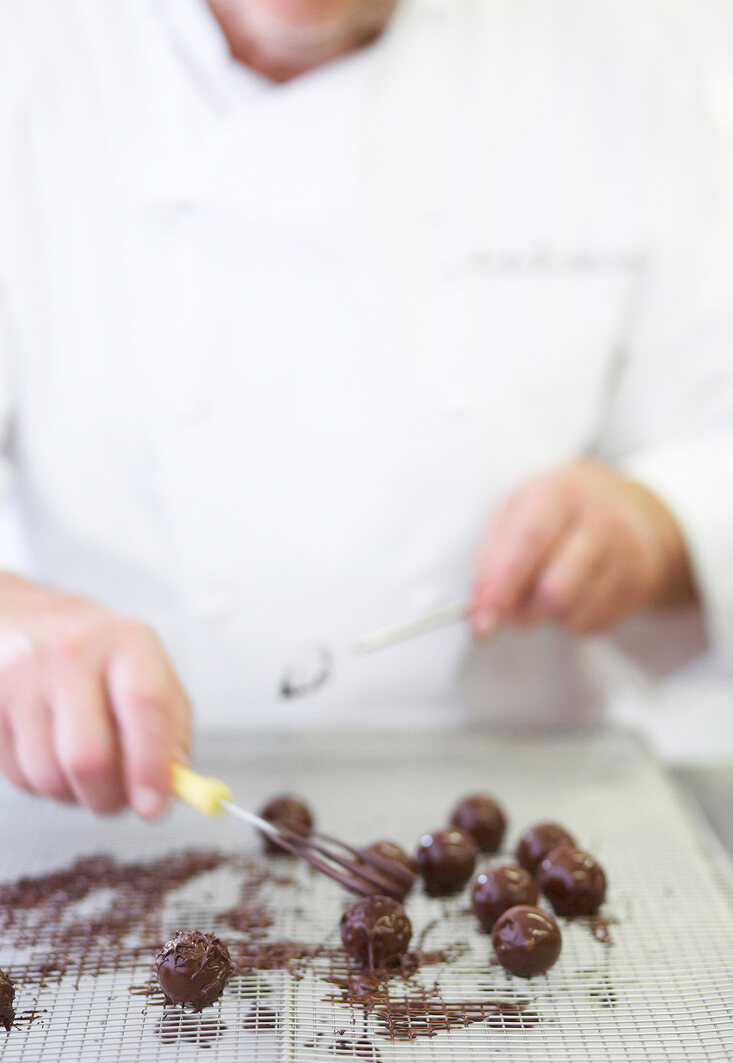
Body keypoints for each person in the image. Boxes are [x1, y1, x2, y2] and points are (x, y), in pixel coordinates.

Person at [0, 0, 731, 819]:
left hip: (522, 798)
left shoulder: (623, 55)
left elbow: (717, 439)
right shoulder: (27, 51)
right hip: (112, 817)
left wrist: (656, 522)